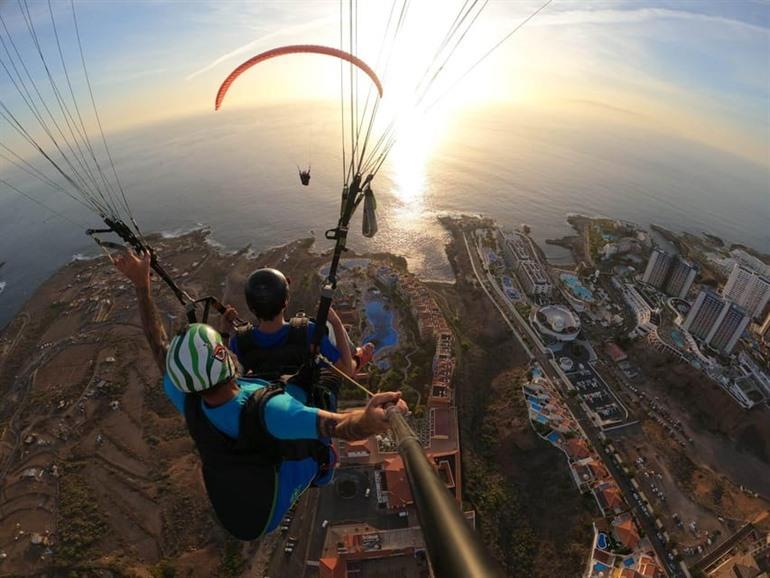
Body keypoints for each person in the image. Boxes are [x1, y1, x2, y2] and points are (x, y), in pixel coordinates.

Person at [111, 249, 408, 540]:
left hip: (235, 506)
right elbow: (341, 426)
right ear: (225, 358)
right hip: (274, 496)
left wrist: (142, 285)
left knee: (301, 380)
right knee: (324, 385)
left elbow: (159, 348)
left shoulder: (190, 399)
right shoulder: (271, 410)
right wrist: (373, 419)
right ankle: (322, 464)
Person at [224, 268, 374, 383]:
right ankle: (358, 358)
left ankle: (357, 353)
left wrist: (225, 333)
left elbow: (227, 378)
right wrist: (336, 322)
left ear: (251, 307)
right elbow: (345, 372)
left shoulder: (239, 341)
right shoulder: (308, 331)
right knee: (329, 328)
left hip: (264, 404)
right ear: (285, 302)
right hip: (304, 399)